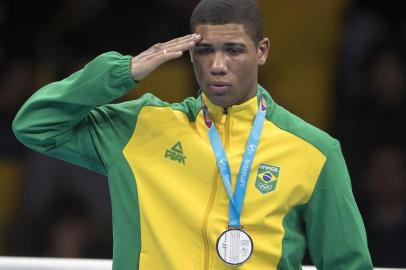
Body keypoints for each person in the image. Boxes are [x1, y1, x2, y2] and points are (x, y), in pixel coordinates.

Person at [12, 0, 373, 269]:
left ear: (261, 52)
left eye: (233, 50)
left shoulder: (316, 151)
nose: (217, 65)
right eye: (205, 51)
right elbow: (34, 125)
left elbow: (347, 264)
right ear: (190, 54)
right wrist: (124, 71)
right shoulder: (140, 126)